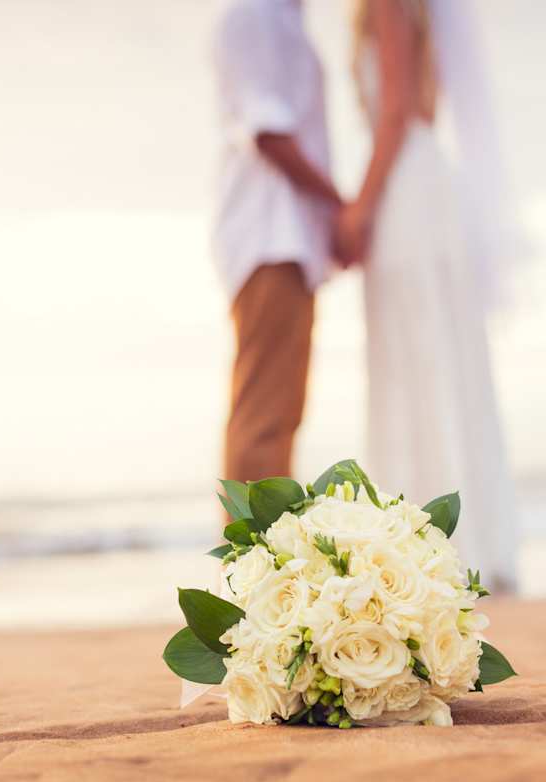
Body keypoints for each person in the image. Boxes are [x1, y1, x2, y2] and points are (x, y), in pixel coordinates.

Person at [333, 0, 523, 590]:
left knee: (413, 361)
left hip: (406, 191)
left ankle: (427, 552)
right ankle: (463, 544)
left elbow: (396, 110)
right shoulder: (419, 12)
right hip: (425, 184)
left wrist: (359, 208)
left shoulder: (388, 4)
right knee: (435, 358)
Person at [211, 0, 343, 487]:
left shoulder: (281, 17)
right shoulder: (255, 15)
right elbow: (267, 131)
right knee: (264, 419)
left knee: (279, 414)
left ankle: (263, 558)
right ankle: (249, 561)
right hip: (269, 234)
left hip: (288, 237)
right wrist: (340, 208)